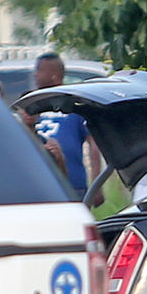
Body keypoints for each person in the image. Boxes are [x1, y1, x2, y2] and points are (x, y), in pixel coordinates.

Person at [33, 52, 101, 199]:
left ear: (54, 74)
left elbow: (93, 144)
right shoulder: (32, 105)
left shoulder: (73, 104)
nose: (35, 75)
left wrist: (97, 184)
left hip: (72, 183)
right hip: (39, 183)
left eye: (39, 70)